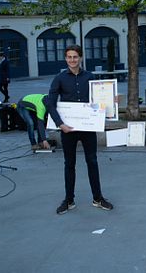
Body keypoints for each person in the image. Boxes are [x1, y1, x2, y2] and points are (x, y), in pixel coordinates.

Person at [46, 45, 113, 214]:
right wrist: (60, 124)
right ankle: (69, 200)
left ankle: (98, 198)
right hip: (68, 129)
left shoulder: (90, 77)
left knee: (92, 162)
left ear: (81, 58)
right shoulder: (59, 78)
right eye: (69, 57)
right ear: (66, 59)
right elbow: (50, 103)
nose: (72, 60)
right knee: (69, 164)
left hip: (88, 128)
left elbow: (99, 99)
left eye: (75, 57)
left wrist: (112, 101)